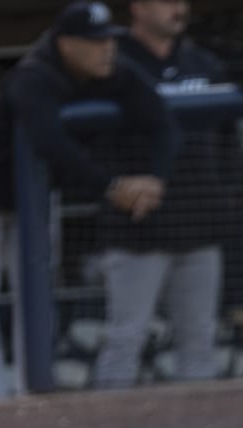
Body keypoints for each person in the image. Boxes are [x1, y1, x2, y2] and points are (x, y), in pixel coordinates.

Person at [0, 0, 178, 400]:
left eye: (108, 40)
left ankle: (31, 387)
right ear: (66, 44)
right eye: (94, 42)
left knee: (34, 287)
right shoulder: (34, 75)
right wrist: (111, 187)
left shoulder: (113, 70)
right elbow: (51, 144)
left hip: (28, 193)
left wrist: (155, 179)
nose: (106, 49)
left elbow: (163, 122)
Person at [90, 0, 227, 387]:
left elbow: (228, 141)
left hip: (199, 223)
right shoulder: (112, 63)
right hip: (137, 227)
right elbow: (93, 145)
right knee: (125, 340)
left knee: (199, 344)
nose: (179, 9)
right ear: (138, 7)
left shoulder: (203, 63)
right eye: (167, 1)